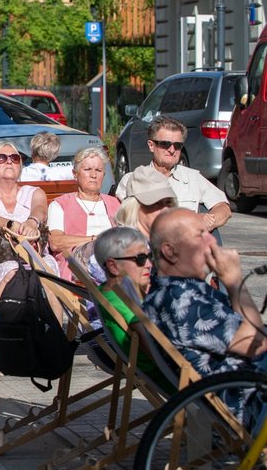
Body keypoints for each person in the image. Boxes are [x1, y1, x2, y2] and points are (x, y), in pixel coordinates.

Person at [143, 208, 267, 429]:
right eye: (200, 234)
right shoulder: (182, 300)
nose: (212, 240)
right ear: (170, 252)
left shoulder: (172, 290)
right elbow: (256, 344)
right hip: (251, 404)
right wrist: (233, 280)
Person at [0, 141, 57, 314]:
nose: (9, 161)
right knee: (11, 269)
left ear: (20, 167)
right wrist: (10, 225)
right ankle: (0, 334)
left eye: (14, 158)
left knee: (48, 268)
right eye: (1, 158)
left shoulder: (33, 192)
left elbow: (40, 209)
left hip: (32, 254)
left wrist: (31, 222)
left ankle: (55, 336)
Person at [115, 115, 231, 231]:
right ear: (151, 145)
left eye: (177, 146)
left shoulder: (193, 178)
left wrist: (208, 221)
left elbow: (223, 207)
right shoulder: (133, 179)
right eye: (165, 144)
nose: (171, 150)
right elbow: (124, 220)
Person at [92, 226, 170, 390]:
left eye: (149, 257)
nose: (149, 264)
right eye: (140, 259)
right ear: (113, 266)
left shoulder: (108, 291)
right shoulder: (124, 302)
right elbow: (158, 352)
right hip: (178, 378)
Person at [47, 147, 120, 280]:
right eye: (87, 170)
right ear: (75, 174)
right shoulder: (60, 204)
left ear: (104, 175)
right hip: (77, 266)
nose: (93, 175)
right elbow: (55, 242)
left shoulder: (115, 203)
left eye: (98, 170)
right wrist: (95, 241)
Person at [114, 165, 178, 238]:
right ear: (133, 208)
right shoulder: (122, 245)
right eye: (156, 203)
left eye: (168, 202)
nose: (165, 209)